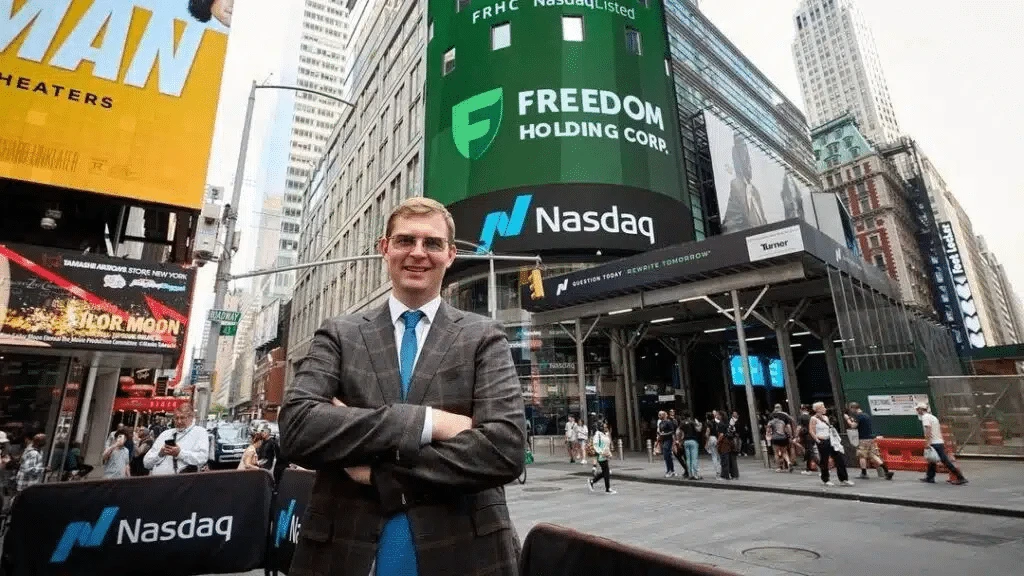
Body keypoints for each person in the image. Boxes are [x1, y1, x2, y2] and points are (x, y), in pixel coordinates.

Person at [279, 197, 526, 576]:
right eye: (405, 240)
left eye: (432, 243)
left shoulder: (484, 337)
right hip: (343, 552)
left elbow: (504, 449)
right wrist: (428, 422)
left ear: (450, 255)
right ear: (385, 248)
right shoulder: (339, 334)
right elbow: (298, 428)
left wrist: (380, 475)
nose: (418, 253)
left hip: (464, 553)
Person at [144, 403, 209, 476]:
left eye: (182, 418)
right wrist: (160, 454)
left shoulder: (200, 432)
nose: (179, 421)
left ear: (191, 417)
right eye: (176, 418)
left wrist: (179, 453)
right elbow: (146, 463)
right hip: (157, 482)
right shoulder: (165, 434)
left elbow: (202, 458)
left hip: (182, 483)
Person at [916, 403, 967, 485]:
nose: (917, 411)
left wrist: (927, 442)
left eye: (918, 409)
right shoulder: (933, 417)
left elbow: (928, 429)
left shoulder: (925, 417)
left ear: (921, 409)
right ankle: (930, 477)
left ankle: (960, 477)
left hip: (934, 442)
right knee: (932, 460)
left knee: (945, 461)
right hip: (938, 441)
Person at [844, 403, 894, 480]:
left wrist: (847, 419)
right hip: (871, 438)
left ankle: (864, 473)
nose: (851, 411)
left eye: (851, 409)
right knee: (874, 455)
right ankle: (886, 471)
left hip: (863, 439)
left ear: (853, 408)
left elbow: (853, 426)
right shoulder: (866, 415)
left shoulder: (859, 416)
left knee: (862, 455)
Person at [809, 402, 853, 487]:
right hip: (822, 440)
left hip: (831, 440)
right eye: (823, 407)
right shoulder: (813, 419)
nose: (825, 408)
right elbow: (811, 431)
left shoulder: (825, 418)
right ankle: (826, 479)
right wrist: (817, 440)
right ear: (818, 409)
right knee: (824, 460)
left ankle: (844, 479)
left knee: (839, 458)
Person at [587, 421, 615, 494]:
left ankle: (592, 481)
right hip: (601, 455)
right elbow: (596, 445)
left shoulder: (605, 434)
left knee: (605, 471)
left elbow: (607, 444)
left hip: (605, 454)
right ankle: (607, 488)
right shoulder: (597, 435)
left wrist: (609, 453)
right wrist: (601, 452)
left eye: (606, 427)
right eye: (603, 427)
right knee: (606, 471)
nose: (605, 428)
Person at [680, 412, 703, 480]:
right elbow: (698, 430)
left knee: (688, 459)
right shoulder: (692, 422)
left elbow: (680, 432)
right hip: (693, 441)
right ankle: (695, 475)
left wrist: (680, 441)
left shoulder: (682, 423)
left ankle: (690, 474)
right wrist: (700, 424)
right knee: (694, 458)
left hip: (686, 441)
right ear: (690, 416)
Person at [797, 405, 818, 475]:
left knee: (811, 453)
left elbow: (799, 427)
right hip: (812, 436)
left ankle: (823, 467)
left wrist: (796, 435)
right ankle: (808, 469)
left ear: (801, 410)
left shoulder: (801, 417)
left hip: (806, 437)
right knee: (809, 453)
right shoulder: (811, 417)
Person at [656, 411, 677, 478]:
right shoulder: (661, 423)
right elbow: (660, 432)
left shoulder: (668, 422)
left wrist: (665, 434)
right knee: (667, 456)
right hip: (663, 440)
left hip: (668, 440)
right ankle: (672, 470)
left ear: (664, 415)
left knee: (666, 455)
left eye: (660, 415)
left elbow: (672, 431)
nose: (659, 416)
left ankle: (669, 471)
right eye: (659, 415)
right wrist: (658, 440)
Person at [705, 411, 722, 478]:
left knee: (714, 456)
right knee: (718, 455)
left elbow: (707, 434)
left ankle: (717, 472)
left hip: (711, 438)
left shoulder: (708, 423)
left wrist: (706, 440)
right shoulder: (716, 422)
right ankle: (721, 469)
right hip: (716, 438)